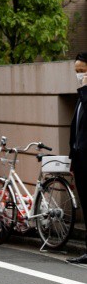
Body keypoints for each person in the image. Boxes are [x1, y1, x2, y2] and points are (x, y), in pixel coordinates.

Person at [67, 52, 87, 264]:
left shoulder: (85, 95)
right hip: (80, 161)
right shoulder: (81, 98)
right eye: (77, 72)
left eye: (82, 71)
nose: (79, 76)